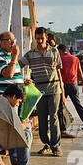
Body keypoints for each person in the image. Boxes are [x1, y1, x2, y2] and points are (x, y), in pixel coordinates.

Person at [0, 32, 40, 165]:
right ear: (1, 42)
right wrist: (15, 56)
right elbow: (8, 73)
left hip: (14, 103)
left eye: (14, 40)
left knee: (19, 133)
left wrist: (23, 81)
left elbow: (13, 76)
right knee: (24, 132)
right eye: (9, 40)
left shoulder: (11, 59)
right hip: (4, 104)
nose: (13, 43)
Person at [23, 26, 63, 156]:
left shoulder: (54, 52)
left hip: (54, 88)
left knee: (54, 117)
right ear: (35, 38)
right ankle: (46, 142)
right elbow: (19, 65)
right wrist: (25, 79)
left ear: (46, 38)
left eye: (42, 38)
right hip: (39, 90)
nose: (40, 41)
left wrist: (62, 89)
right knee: (42, 118)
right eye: (38, 38)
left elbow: (58, 70)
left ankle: (56, 146)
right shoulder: (30, 54)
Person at [56, 38, 83, 130]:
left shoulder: (59, 59)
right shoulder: (75, 58)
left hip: (63, 85)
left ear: (60, 51)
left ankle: (62, 124)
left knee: (59, 105)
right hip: (74, 85)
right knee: (77, 105)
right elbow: (80, 72)